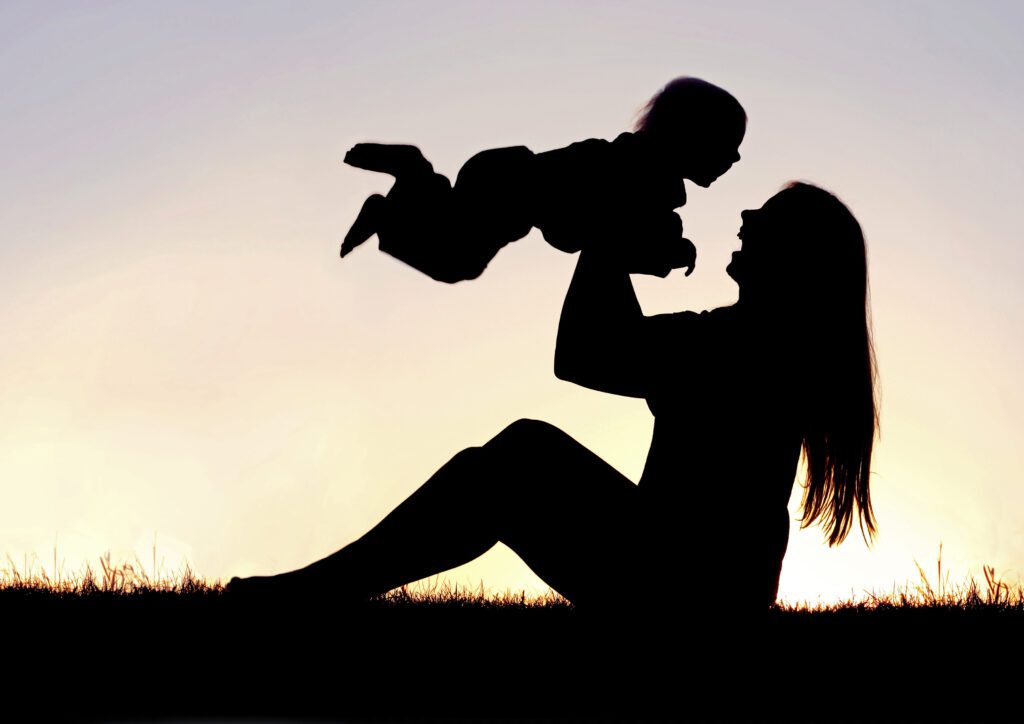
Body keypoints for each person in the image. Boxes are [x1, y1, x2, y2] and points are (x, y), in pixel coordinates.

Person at [226, 181, 879, 617]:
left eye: (769, 219)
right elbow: (608, 345)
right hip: (697, 584)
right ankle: (312, 593)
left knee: (519, 457)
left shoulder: (744, 346)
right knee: (513, 458)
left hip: (681, 594)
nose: (746, 216)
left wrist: (607, 235)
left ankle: (308, 596)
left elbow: (587, 354)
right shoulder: (758, 342)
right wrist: (612, 244)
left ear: (795, 258)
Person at [339, 76, 746, 282]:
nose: (735, 157)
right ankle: (410, 177)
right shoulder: (642, 175)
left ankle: (409, 185)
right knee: (457, 262)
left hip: (504, 176)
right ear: (688, 136)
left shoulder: (644, 176)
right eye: (726, 146)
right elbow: (607, 235)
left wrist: (666, 249)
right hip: (509, 186)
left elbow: (613, 236)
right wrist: (668, 252)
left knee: (449, 240)